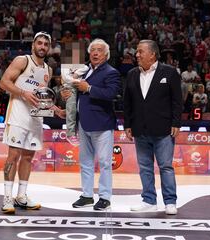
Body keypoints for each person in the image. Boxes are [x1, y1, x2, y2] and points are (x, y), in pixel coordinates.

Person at [0, 31, 56, 214]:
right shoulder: (22, 61)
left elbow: (43, 97)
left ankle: (21, 196)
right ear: (33, 45)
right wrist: (23, 93)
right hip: (17, 116)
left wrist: (56, 109)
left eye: (45, 45)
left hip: (35, 119)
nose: (42, 47)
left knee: (28, 157)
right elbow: (3, 82)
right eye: (39, 43)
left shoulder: (48, 70)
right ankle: (7, 198)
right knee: (13, 157)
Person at [123, 40, 182, 215]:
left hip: (164, 129)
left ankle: (170, 202)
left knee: (165, 166)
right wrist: (127, 124)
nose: (137, 55)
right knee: (145, 168)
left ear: (153, 54)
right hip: (140, 129)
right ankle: (149, 200)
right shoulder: (132, 74)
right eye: (137, 52)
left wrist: (176, 123)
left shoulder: (169, 72)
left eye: (140, 52)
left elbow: (177, 101)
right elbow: (127, 102)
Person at [71, 38, 121, 211]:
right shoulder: (82, 71)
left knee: (105, 163)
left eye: (99, 50)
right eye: (92, 50)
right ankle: (86, 195)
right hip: (83, 122)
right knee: (85, 162)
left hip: (102, 123)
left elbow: (112, 93)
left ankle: (105, 197)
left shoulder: (111, 72)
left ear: (106, 55)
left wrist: (89, 88)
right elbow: (77, 93)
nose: (95, 53)